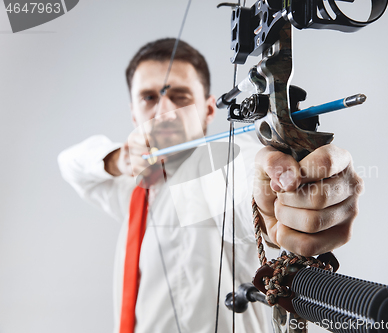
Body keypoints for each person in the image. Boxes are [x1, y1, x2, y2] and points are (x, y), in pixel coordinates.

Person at [58, 38, 363, 333]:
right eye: (149, 97)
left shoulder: (215, 164)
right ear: (133, 112)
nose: (165, 110)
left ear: (206, 111)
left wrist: (277, 196)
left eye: (179, 96)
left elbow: (242, 177)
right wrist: (119, 158)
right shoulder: (129, 188)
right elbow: (70, 163)